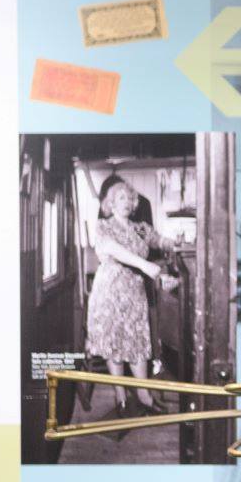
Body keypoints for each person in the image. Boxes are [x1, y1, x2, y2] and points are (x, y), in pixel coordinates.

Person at [86, 175, 179, 418]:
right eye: (120, 198)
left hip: (134, 291)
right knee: (114, 341)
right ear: (110, 203)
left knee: (137, 342)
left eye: (129, 197)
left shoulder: (140, 228)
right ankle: (120, 395)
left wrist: (175, 242)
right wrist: (146, 266)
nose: (126, 201)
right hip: (110, 290)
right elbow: (110, 248)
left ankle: (143, 394)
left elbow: (160, 240)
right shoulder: (104, 226)